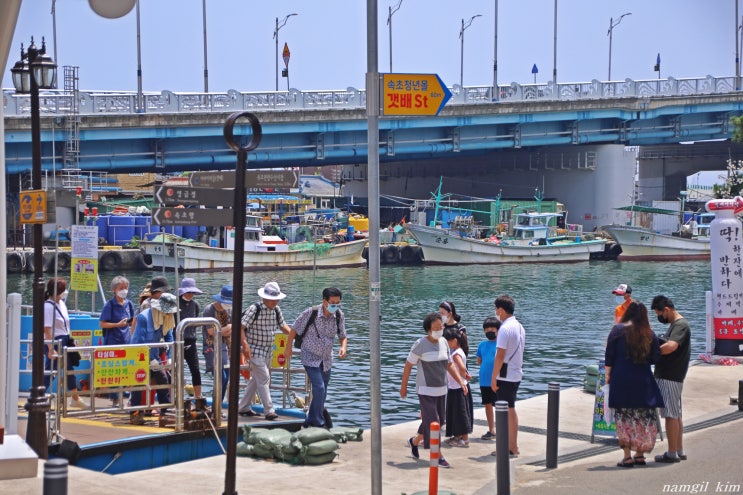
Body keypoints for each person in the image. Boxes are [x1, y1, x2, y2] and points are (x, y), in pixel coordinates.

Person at [400, 312, 468, 469]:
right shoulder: (420, 344)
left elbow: (449, 364)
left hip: (441, 389)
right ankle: (437, 455)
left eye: (442, 327)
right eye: (436, 328)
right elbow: (409, 365)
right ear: (428, 330)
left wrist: (460, 381)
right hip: (425, 390)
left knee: (439, 421)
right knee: (433, 422)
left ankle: (414, 441)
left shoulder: (444, 342)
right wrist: (403, 386)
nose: (440, 330)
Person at [604, 302, 664, 467]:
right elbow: (655, 358)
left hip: (621, 379)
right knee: (644, 418)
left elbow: (609, 356)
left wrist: (608, 375)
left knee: (624, 417)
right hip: (643, 381)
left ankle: (627, 456)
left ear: (627, 313)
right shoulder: (649, 333)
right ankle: (640, 454)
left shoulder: (617, 330)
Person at [284, 287, 348, 428]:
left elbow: (343, 336)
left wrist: (343, 347)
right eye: (333, 303)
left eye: (338, 303)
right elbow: (294, 328)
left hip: (326, 358)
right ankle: (318, 422)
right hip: (310, 356)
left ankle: (310, 420)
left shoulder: (339, 316)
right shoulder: (311, 312)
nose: (335, 306)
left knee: (323, 390)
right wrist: (288, 348)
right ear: (324, 301)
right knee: (319, 388)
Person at [237, 282, 292, 421]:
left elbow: (283, 326)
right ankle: (269, 410)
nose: (276, 301)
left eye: (277, 299)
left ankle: (243, 407)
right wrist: (245, 345)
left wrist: (295, 335)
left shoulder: (277, 310)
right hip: (254, 349)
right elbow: (241, 327)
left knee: (256, 379)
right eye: (273, 299)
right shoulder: (254, 309)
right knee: (264, 378)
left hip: (268, 350)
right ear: (264, 298)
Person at [651, 295, 692, 463]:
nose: (659, 317)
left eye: (659, 314)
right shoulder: (676, 325)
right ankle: (679, 449)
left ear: (666, 310)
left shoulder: (680, 325)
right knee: (676, 414)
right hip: (673, 375)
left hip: (670, 376)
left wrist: (652, 352)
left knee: (670, 415)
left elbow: (671, 346)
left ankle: (671, 452)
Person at [129, 292, 178, 425]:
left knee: (163, 379)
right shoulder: (144, 318)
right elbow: (138, 342)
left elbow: (169, 338)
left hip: (155, 357)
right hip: (140, 357)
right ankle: (135, 412)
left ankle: (165, 411)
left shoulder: (166, 318)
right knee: (139, 382)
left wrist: (169, 357)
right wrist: (149, 359)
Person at [43, 277, 87, 408]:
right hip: (56, 341)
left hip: (65, 340)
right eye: (63, 289)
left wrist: (70, 341)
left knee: (68, 369)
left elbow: (64, 325)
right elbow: (47, 328)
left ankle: (75, 398)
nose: (65, 292)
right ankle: (37, 395)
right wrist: (51, 348)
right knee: (51, 371)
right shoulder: (48, 307)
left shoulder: (61, 304)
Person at [490, 294, 525, 457]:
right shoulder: (519, 326)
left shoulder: (504, 329)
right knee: (510, 408)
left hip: (505, 376)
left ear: (502, 310)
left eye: (497, 309)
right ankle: (512, 445)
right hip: (515, 373)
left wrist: (493, 376)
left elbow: (500, 355)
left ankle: (510, 447)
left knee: (506, 410)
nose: (496, 312)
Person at [99, 275, 135, 406]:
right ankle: (114, 397)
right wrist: (117, 325)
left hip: (126, 340)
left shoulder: (129, 304)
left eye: (126, 288)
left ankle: (125, 394)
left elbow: (132, 321)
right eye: (121, 288)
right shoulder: (110, 305)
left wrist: (130, 324)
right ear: (114, 289)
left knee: (126, 369)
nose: (124, 290)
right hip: (113, 341)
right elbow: (102, 323)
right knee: (114, 369)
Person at [202, 285, 233, 404]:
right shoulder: (209, 309)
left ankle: (218, 405)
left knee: (226, 377)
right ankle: (216, 406)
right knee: (220, 377)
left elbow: (232, 329)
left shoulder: (230, 310)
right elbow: (211, 332)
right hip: (211, 347)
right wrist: (227, 329)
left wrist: (222, 330)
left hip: (226, 347)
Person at [443, 326, 472, 447]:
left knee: (460, 413)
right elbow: (463, 368)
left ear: (454, 340)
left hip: (457, 388)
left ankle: (464, 439)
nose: (447, 344)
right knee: (458, 412)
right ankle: (458, 436)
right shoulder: (460, 351)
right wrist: (466, 375)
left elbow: (460, 367)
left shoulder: (455, 354)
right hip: (460, 386)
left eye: (447, 341)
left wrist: (463, 375)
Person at [178, 278, 203, 399]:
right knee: (175, 370)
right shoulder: (176, 303)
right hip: (177, 340)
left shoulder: (195, 305)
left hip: (191, 341)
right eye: (188, 292)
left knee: (196, 369)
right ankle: (175, 396)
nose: (190, 295)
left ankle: (198, 397)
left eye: (192, 292)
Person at [476, 316, 501, 440]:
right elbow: (479, 360)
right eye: (486, 329)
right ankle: (491, 429)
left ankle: (502, 429)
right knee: (487, 405)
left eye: (492, 328)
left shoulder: (501, 344)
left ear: (498, 330)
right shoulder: (482, 345)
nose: (489, 331)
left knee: (500, 405)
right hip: (484, 379)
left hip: (498, 380)